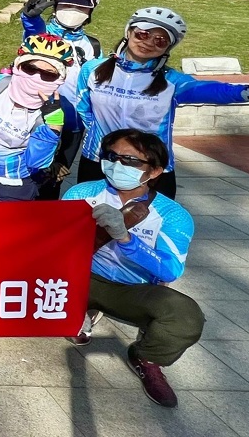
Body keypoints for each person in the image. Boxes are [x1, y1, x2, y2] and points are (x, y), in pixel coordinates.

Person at [76, 8, 249, 199]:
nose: (148, 43)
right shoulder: (92, 70)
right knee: (86, 224)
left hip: (150, 167)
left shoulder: (172, 81)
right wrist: (98, 138)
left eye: (160, 41)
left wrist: (248, 92)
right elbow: (84, 109)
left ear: (168, 48)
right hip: (99, 161)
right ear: (129, 32)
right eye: (143, 34)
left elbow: (207, 90)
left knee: (151, 225)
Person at [62, 129, 204, 408]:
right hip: (81, 277)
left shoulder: (172, 215)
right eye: (111, 156)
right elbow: (55, 242)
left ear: (155, 171)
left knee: (185, 316)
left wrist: (127, 240)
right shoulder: (81, 193)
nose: (117, 165)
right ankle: (81, 311)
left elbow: (170, 270)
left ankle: (146, 357)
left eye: (130, 160)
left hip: (134, 290)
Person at [0, 34, 73, 202]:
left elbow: (36, 162)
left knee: (10, 219)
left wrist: (53, 128)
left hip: (15, 177)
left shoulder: (55, 114)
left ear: (61, 78)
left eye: (48, 74)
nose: (36, 77)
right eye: (30, 68)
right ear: (18, 65)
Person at [21, 0, 103, 197]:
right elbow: (33, 30)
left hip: (73, 125)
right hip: (37, 119)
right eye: (66, 5)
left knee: (54, 181)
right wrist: (30, 17)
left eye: (81, 8)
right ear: (55, 7)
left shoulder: (93, 45)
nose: (73, 11)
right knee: (29, 176)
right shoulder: (42, 34)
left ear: (90, 12)